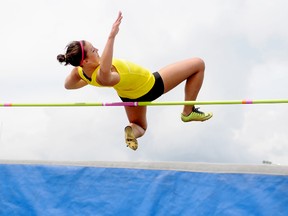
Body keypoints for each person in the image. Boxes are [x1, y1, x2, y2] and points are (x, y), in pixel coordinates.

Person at [57, 11, 212, 151]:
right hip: (151, 86)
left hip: (129, 98)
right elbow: (104, 71)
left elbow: (68, 85)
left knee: (140, 127)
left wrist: (86, 78)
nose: (97, 49)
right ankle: (188, 112)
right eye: (93, 50)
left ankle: (131, 131)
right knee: (198, 64)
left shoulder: (81, 72)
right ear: (85, 61)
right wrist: (111, 37)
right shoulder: (104, 74)